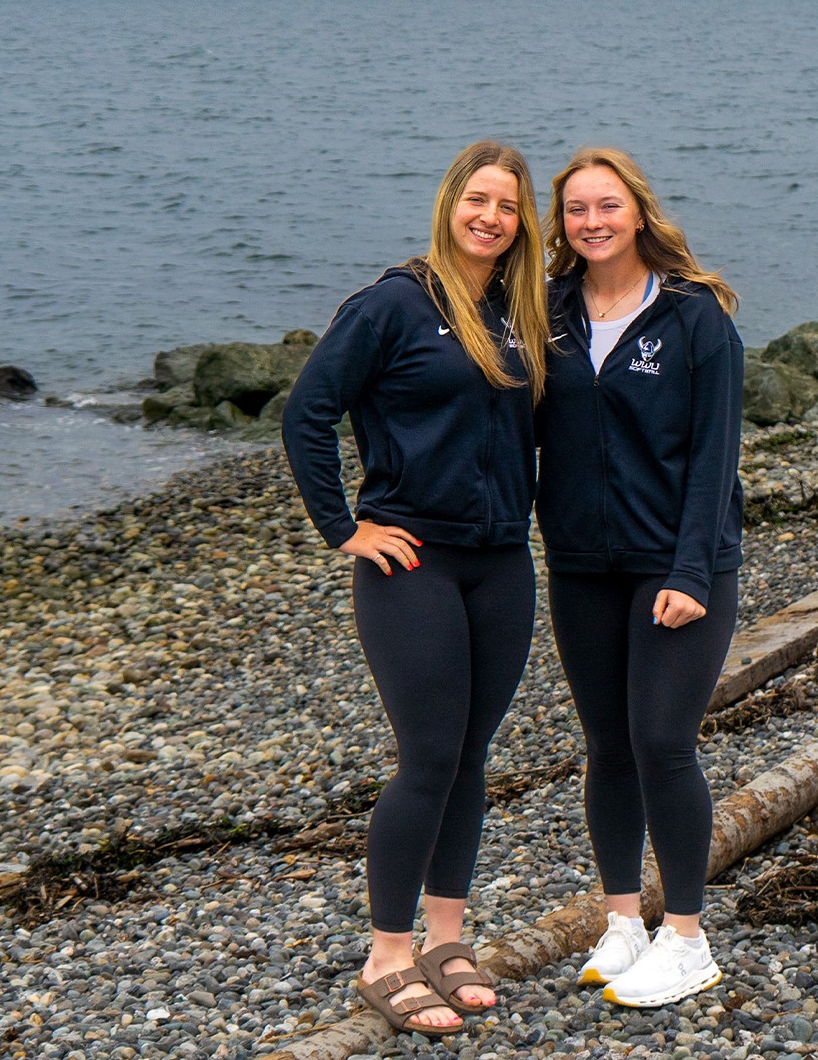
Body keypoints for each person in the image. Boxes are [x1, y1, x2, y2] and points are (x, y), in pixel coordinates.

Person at [281, 141, 550, 1037]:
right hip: (412, 563)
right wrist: (344, 527)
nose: (491, 218)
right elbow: (307, 412)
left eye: (507, 207)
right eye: (477, 200)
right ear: (449, 205)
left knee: (471, 757)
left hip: (503, 562)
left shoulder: (518, 315)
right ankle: (387, 955)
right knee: (428, 758)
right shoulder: (393, 304)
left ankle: (446, 937)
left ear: (523, 223)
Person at [535, 147, 746, 1009]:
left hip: (679, 566)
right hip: (583, 564)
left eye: (607, 206)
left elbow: (715, 454)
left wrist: (691, 568)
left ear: (638, 212)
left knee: (663, 742)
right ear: (562, 223)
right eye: (577, 209)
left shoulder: (696, 317)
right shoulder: (545, 311)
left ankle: (688, 937)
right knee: (608, 748)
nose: (593, 221)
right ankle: (624, 922)